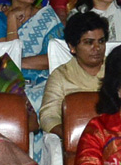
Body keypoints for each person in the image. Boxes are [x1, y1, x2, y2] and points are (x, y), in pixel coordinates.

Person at [0, 0, 64, 110]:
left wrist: (18, 62)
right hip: (10, 84)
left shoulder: (47, 16)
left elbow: (56, 57)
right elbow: (6, 64)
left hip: (46, 81)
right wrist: (11, 20)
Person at [38, 11, 108, 139]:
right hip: (76, 143)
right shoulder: (61, 76)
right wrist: (72, 135)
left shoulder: (118, 70)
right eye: (88, 42)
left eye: (101, 41)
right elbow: (48, 117)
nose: (97, 47)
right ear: (72, 47)